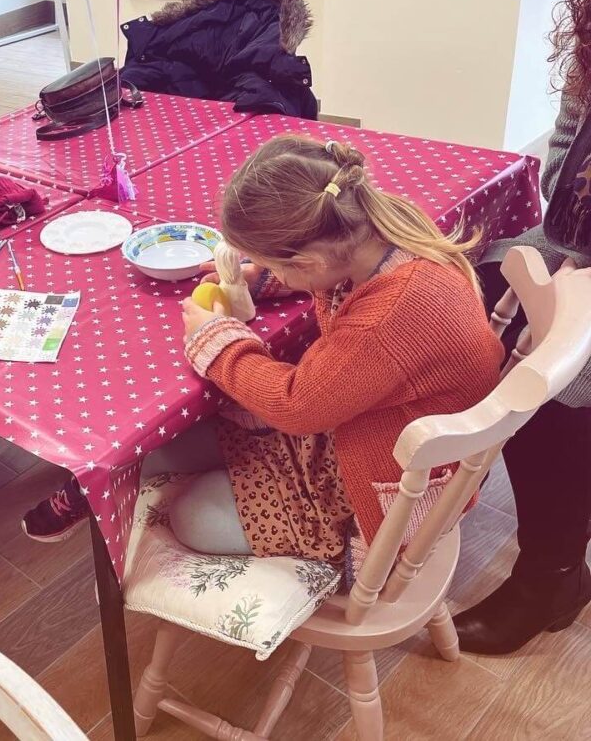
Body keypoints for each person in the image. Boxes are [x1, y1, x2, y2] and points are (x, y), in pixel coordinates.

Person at [25, 135, 505, 571]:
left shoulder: (389, 314)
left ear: (311, 260)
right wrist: (264, 278)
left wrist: (219, 343)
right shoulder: (377, 230)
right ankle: (94, 493)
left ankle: (126, 501)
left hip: (381, 479)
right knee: (162, 444)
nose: (273, 272)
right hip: (367, 427)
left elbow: (297, 407)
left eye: (278, 264)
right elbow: (327, 285)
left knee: (193, 517)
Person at [453, 0, 591, 653]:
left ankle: (553, 574)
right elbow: (564, 163)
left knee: (557, 377)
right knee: (463, 296)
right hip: (576, 246)